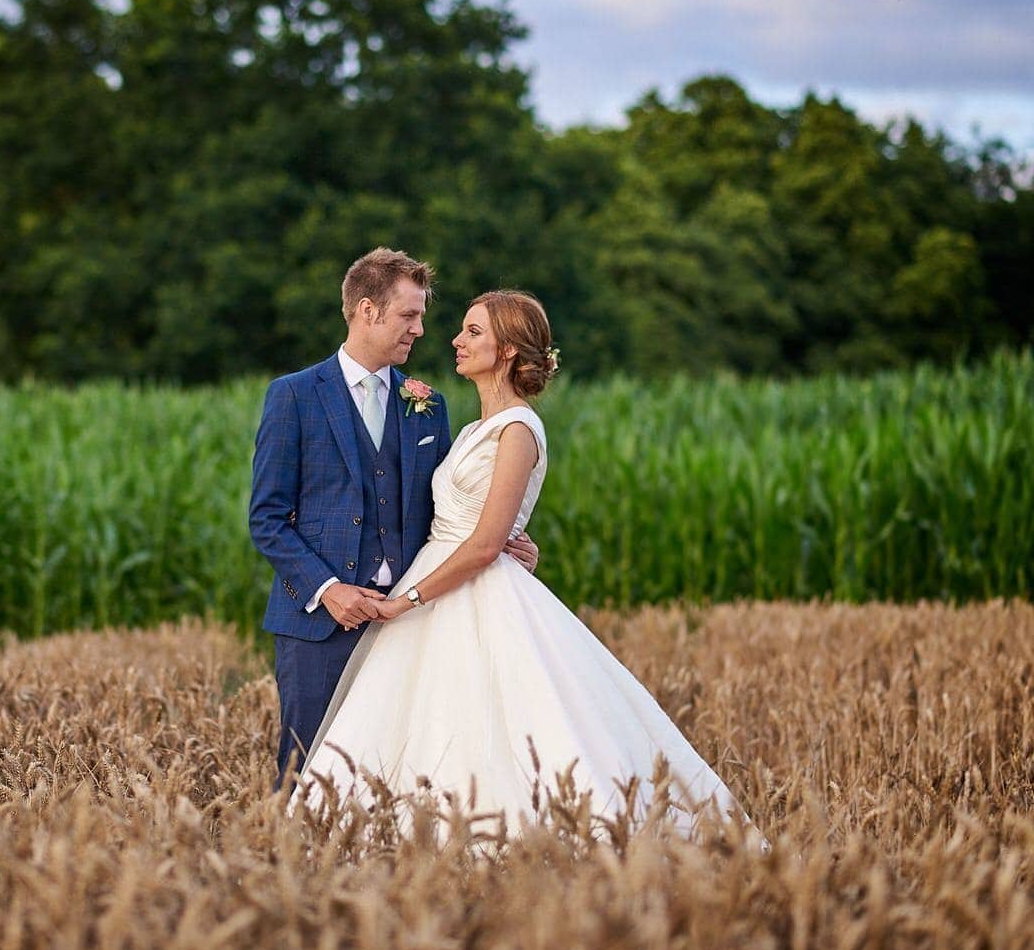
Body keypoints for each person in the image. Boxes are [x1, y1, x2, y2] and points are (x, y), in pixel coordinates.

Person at [295, 289, 752, 840]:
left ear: (508, 349)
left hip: (467, 591)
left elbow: (487, 544)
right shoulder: (470, 428)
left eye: (472, 332)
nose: (455, 340)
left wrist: (405, 600)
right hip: (440, 583)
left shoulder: (518, 428)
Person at [249, 249, 539, 788]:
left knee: (399, 780)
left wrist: (504, 541)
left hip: (411, 626)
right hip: (318, 627)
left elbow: (452, 508)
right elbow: (266, 519)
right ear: (367, 310)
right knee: (306, 779)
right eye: (409, 316)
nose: (421, 330)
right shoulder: (293, 396)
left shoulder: (426, 403)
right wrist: (331, 590)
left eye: (422, 316)